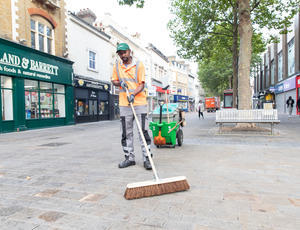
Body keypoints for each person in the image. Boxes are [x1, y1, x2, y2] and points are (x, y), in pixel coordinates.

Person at [111, 43, 152, 170]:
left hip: (139, 103)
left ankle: (147, 158)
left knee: (143, 131)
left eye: (124, 52)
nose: (122, 55)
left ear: (130, 51)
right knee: (126, 132)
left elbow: (141, 85)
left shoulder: (139, 65)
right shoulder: (117, 66)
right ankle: (129, 158)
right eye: (120, 53)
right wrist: (120, 83)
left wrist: (133, 94)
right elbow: (114, 80)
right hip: (124, 104)